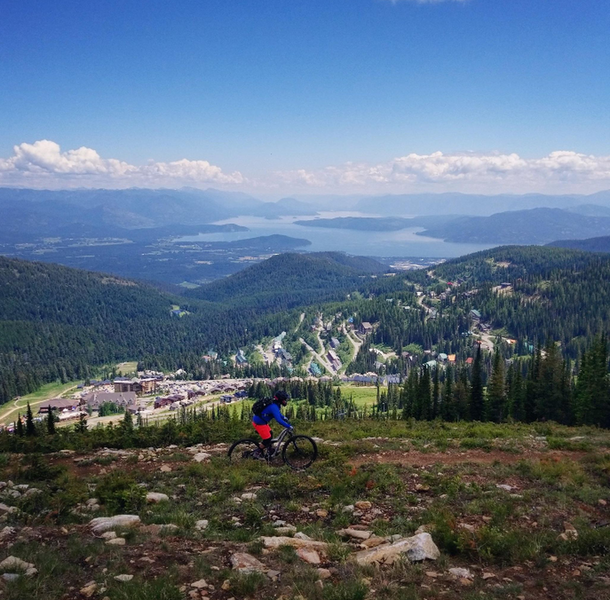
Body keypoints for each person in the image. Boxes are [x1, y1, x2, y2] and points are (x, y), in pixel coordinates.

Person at [252, 390, 292, 456]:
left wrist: (284, 417)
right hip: (259, 423)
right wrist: (288, 426)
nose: (285, 401)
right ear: (280, 399)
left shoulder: (275, 404)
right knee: (267, 439)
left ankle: (270, 451)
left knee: (270, 434)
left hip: (262, 422)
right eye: (285, 399)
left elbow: (278, 414)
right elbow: (278, 420)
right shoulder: (274, 407)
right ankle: (256, 453)